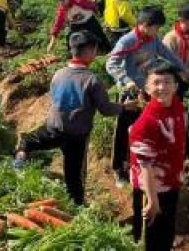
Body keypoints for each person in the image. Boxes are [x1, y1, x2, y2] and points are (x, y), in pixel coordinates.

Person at [15, 31, 138, 205]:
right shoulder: (92, 80)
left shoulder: (58, 74)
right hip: (76, 135)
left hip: (53, 127)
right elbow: (105, 109)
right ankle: (77, 207)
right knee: (74, 177)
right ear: (89, 51)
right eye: (95, 49)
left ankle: (20, 158)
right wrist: (124, 107)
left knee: (27, 140)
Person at [106, 5, 189, 187]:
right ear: (144, 25)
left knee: (147, 128)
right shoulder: (127, 41)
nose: (157, 32)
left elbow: (168, 54)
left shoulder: (152, 39)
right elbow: (111, 64)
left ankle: (147, 162)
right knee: (125, 129)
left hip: (150, 89)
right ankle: (119, 169)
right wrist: (126, 80)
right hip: (132, 91)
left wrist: (184, 70)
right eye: (156, 27)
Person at [130, 63, 186, 250]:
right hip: (152, 188)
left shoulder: (177, 107)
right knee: (152, 240)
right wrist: (153, 201)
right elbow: (144, 166)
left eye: (167, 82)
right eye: (156, 83)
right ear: (147, 88)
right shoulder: (146, 123)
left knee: (167, 231)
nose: (162, 87)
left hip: (171, 182)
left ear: (176, 86)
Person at [47, 0, 111, 54]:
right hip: (75, 24)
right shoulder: (62, 9)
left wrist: (99, 15)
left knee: (99, 35)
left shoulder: (79, 1)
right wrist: (52, 41)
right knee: (70, 37)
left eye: (63, 0)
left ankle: (107, 51)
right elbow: (58, 24)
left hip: (89, 21)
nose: (61, 3)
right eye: (59, 0)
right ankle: (74, 54)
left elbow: (92, 5)